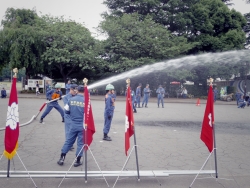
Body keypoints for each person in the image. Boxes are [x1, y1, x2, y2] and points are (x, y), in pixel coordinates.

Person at [57, 85, 85, 167]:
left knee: (68, 141)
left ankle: (61, 159)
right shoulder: (86, 101)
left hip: (73, 124)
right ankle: (78, 161)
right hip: (82, 125)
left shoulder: (71, 99)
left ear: (77, 90)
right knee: (80, 143)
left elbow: (66, 111)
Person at [63, 84, 78, 148]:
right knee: (68, 130)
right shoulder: (66, 97)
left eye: (76, 91)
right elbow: (68, 107)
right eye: (74, 90)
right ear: (70, 89)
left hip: (75, 116)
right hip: (68, 115)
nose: (75, 92)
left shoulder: (77, 96)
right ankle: (69, 144)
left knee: (74, 130)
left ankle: (71, 142)